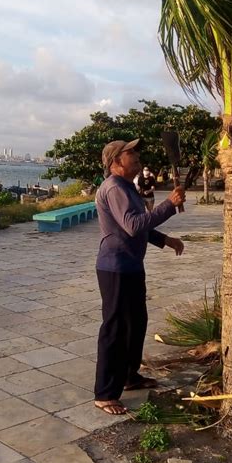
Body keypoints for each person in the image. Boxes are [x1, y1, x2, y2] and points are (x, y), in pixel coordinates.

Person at [94, 139, 185, 415]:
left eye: (135, 151)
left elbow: (135, 224)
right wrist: (168, 205)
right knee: (116, 328)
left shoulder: (127, 187)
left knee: (136, 324)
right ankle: (105, 392)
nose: (136, 156)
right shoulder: (113, 187)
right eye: (129, 153)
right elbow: (133, 226)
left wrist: (164, 240)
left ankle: (129, 376)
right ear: (115, 163)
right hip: (115, 267)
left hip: (131, 265)